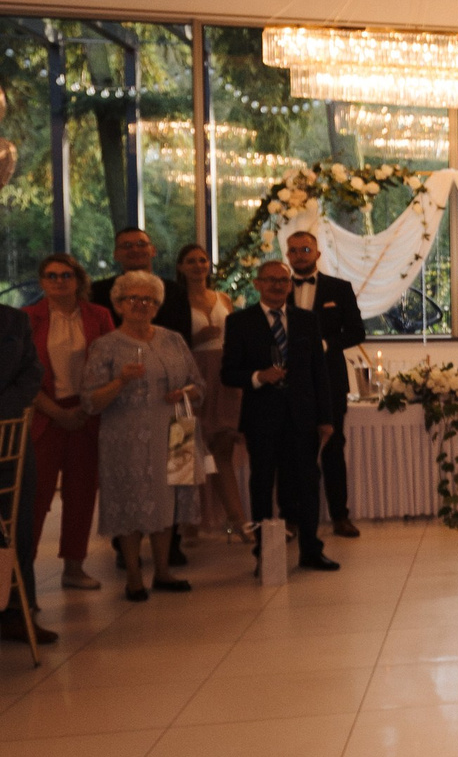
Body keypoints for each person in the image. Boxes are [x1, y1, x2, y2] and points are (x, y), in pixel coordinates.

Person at [80, 271, 198, 601]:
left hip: (179, 429)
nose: (141, 305)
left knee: (169, 502)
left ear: (157, 306)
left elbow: (198, 385)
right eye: (132, 298)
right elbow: (90, 401)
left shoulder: (174, 339)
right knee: (129, 504)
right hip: (127, 435)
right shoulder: (105, 346)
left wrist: (185, 392)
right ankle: (133, 576)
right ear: (118, 304)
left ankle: (163, 571)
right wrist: (120, 381)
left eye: (148, 300)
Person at [221, 258, 338, 573]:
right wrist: (259, 376)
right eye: (270, 280)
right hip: (262, 419)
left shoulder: (306, 320)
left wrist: (326, 418)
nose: (277, 286)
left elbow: (319, 372)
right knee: (262, 486)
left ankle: (311, 550)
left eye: (282, 281)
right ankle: (265, 555)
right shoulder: (239, 322)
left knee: (308, 484)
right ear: (257, 284)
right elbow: (228, 373)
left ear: (289, 286)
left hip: (302, 418)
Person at [28, 253, 114, 588]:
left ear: (78, 280)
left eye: (66, 275)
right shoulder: (28, 318)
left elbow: (110, 362)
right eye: (51, 276)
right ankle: (23, 571)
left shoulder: (99, 315)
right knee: (36, 496)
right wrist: (57, 412)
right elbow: (22, 375)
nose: (59, 281)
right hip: (45, 414)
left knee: (81, 494)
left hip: (87, 412)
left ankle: (74, 567)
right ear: (42, 282)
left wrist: (87, 407)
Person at [160, 245, 248, 540]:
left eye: (202, 260)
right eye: (191, 261)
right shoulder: (174, 302)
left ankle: (237, 519)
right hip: (189, 373)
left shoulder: (222, 298)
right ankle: (185, 521)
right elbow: (169, 342)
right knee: (184, 446)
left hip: (222, 376)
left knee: (222, 447)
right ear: (180, 267)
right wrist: (197, 337)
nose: (198, 265)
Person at [285, 225, 365, 538]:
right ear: (287, 255)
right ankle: (292, 518)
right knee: (292, 450)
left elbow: (356, 331)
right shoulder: (279, 288)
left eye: (305, 250)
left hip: (330, 380)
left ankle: (340, 516)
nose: (300, 256)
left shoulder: (339, 288)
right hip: (290, 381)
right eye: (294, 251)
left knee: (333, 449)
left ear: (317, 253)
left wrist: (326, 344)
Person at [0, 298, 55, 646]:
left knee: (17, 527)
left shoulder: (13, 321)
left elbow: (32, 373)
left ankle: (17, 612)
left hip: (10, 442)